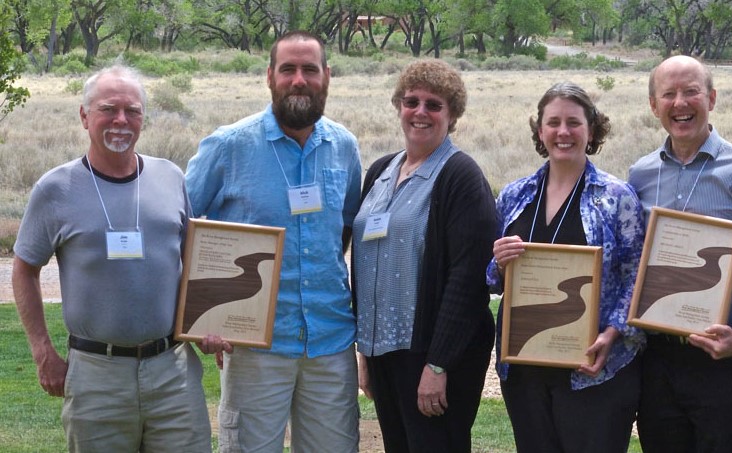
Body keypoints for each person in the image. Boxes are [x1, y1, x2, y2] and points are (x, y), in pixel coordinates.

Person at [11, 65, 226, 452]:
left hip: (172, 373)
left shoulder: (170, 177)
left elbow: (196, 263)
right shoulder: (55, 189)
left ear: (144, 117)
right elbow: (24, 270)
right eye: (108, 109)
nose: (121, 121)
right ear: (84, 116)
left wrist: (210, 323)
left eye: (133, 111)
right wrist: (42, 351)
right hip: (97, 376)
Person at [185, 31, 361, 452]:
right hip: (255, 347)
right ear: (269, 76)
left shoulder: (344, 148)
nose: (299, 80)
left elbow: (345, 231)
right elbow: (178, 229)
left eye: (309, 70)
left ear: (327, 77)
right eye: (288, 69)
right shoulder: (228, 146)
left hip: (330, 344)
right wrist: (205, 316)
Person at [628, 55, 732, 452]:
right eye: (669, 94)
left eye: (691, 91)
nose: (680, 103)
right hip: (658, 360)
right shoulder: (639, 175)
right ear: (653, 105)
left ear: (711, 98)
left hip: (726, 361)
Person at [488, 82, 645, 452]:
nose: (563, 132)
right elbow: (492, 279)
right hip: (524, 367)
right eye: (553, 122)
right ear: (539, 131)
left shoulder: (616, 197)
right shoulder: (514, 195)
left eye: (574, 123)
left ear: (591, 130)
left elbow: (637, 276)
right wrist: (497, 262)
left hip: (594, 368)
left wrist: (614, 334)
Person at [352, 59, 497, 453]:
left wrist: (438, 365)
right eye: (411, 101)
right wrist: (366, 352)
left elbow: (468, 281)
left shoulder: (460, 177)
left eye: (434, 105)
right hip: (385, 353)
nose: (420, 112)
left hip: (433, 358)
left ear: (452, 115)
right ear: (398, 105)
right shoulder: (381, 171)